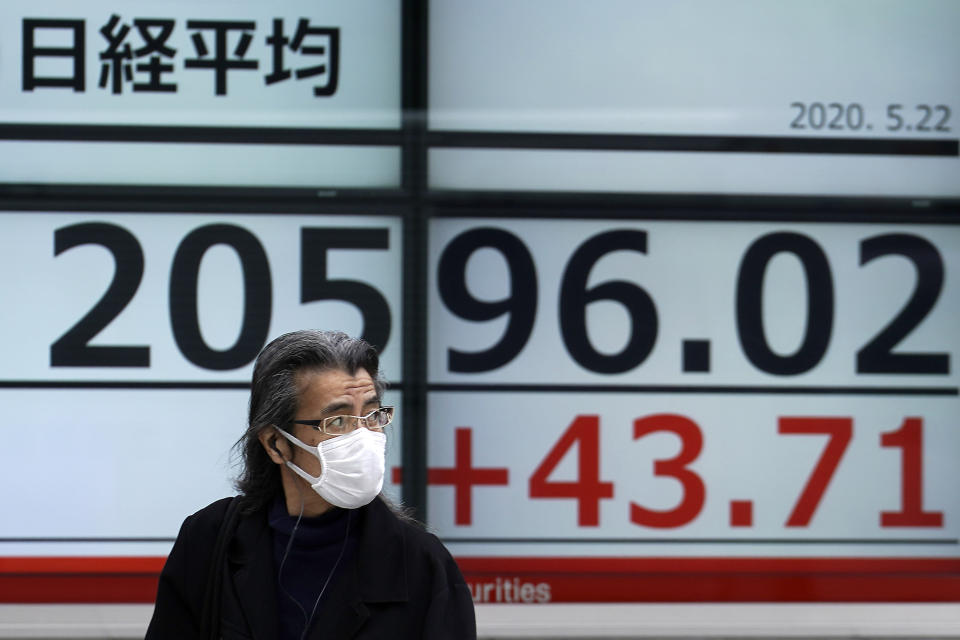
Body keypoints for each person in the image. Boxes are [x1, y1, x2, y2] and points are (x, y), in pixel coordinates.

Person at [145, 330, 477, 640]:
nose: (364, 438)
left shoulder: (423, 565)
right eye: (338, 421)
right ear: (276, 443)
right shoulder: (209, 540)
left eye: (373, 416)